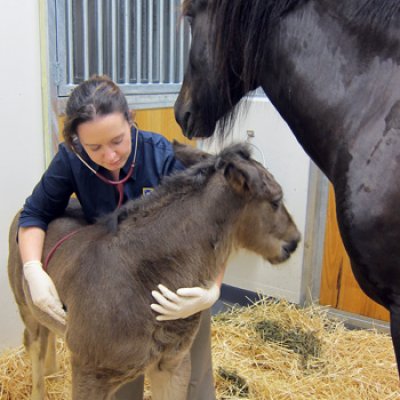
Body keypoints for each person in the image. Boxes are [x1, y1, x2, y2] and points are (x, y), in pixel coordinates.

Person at [18, 75, 222, 399]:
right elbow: (33, 215)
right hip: (120, 292)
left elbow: (211, 226)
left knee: (193, 378)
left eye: (117, 140)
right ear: (75, 142)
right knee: (122, 383)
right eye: (94, 147)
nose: (110, 156)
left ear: (131, 121)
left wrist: (212, 288)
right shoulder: (71, 160)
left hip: (174, 286)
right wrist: (32, 270)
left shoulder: (164, 157)